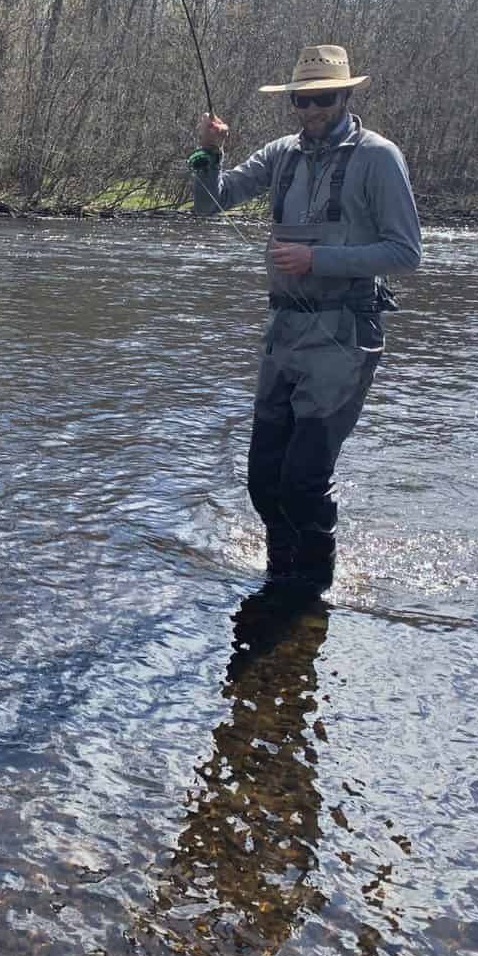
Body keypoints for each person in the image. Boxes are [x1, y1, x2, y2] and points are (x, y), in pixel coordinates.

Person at [188, 44, 421, 589]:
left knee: (303, 480)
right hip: (283, 333)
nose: (313, 111)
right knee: (263, 479)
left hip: (345, 336)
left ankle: (312, 593)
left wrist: (319, 258)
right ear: (291, 102)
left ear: (345, 96)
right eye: (302, 101)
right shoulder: (281, 154)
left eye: (324, 99)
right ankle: (281, 577)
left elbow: (407, 253)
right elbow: (210, 203)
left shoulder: (379, 157)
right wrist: (208, 154)